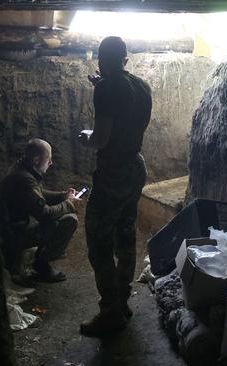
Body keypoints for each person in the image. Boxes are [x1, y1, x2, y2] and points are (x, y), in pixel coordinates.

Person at [78, 36, 152, 337]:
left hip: (114, 171)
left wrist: (87, 138)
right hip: (135, 165)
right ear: (125, 58)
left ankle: (110, 313)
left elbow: (102, 138)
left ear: (100, 59)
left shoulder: (106, 88)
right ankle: (122, 303)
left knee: (98, 240)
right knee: (125, 235)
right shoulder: (141, 86)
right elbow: (127, 112)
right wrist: (103, 86)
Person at [0, 138, 81, 284]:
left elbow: (38, 193)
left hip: (10, 228)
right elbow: (45, 215)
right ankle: (41, 264)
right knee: (70, 219)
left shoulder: (22, 168)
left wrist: (62, 195)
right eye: (48, 159)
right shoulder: (25, 179)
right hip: (14, 233)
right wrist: (68, 203)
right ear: (36, 160)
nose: (51, 163)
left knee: (61, 214)